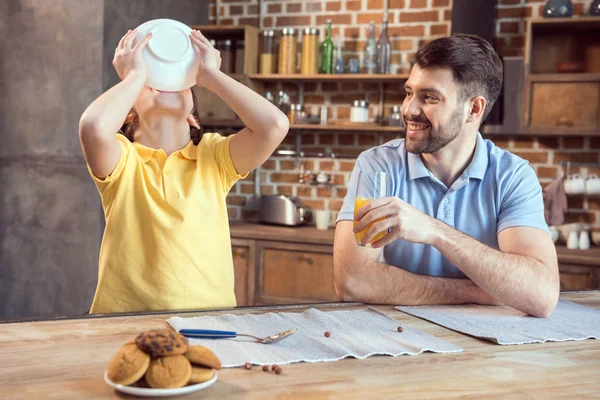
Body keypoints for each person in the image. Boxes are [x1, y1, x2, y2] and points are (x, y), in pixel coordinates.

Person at [333, 34, 559, 318]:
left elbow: (542, 295)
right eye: (408, 93)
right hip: (393, 337)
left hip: (483, 349)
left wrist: (435, 232)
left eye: (429, 98)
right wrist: (476, 292)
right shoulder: (378, 166)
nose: (408, 110)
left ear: (473, 109)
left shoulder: (512, 176)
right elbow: (352, 282)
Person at [79, 28, 288, 313]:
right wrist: (135, 75)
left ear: (193, 120)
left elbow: (274, 125)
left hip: (210, 320)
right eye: (154, 79)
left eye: (180, 83)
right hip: (122, 320)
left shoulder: (214, 158)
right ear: (128, 113)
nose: (166, 82)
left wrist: (211, 77)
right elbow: (94, 126)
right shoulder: (123, 160)